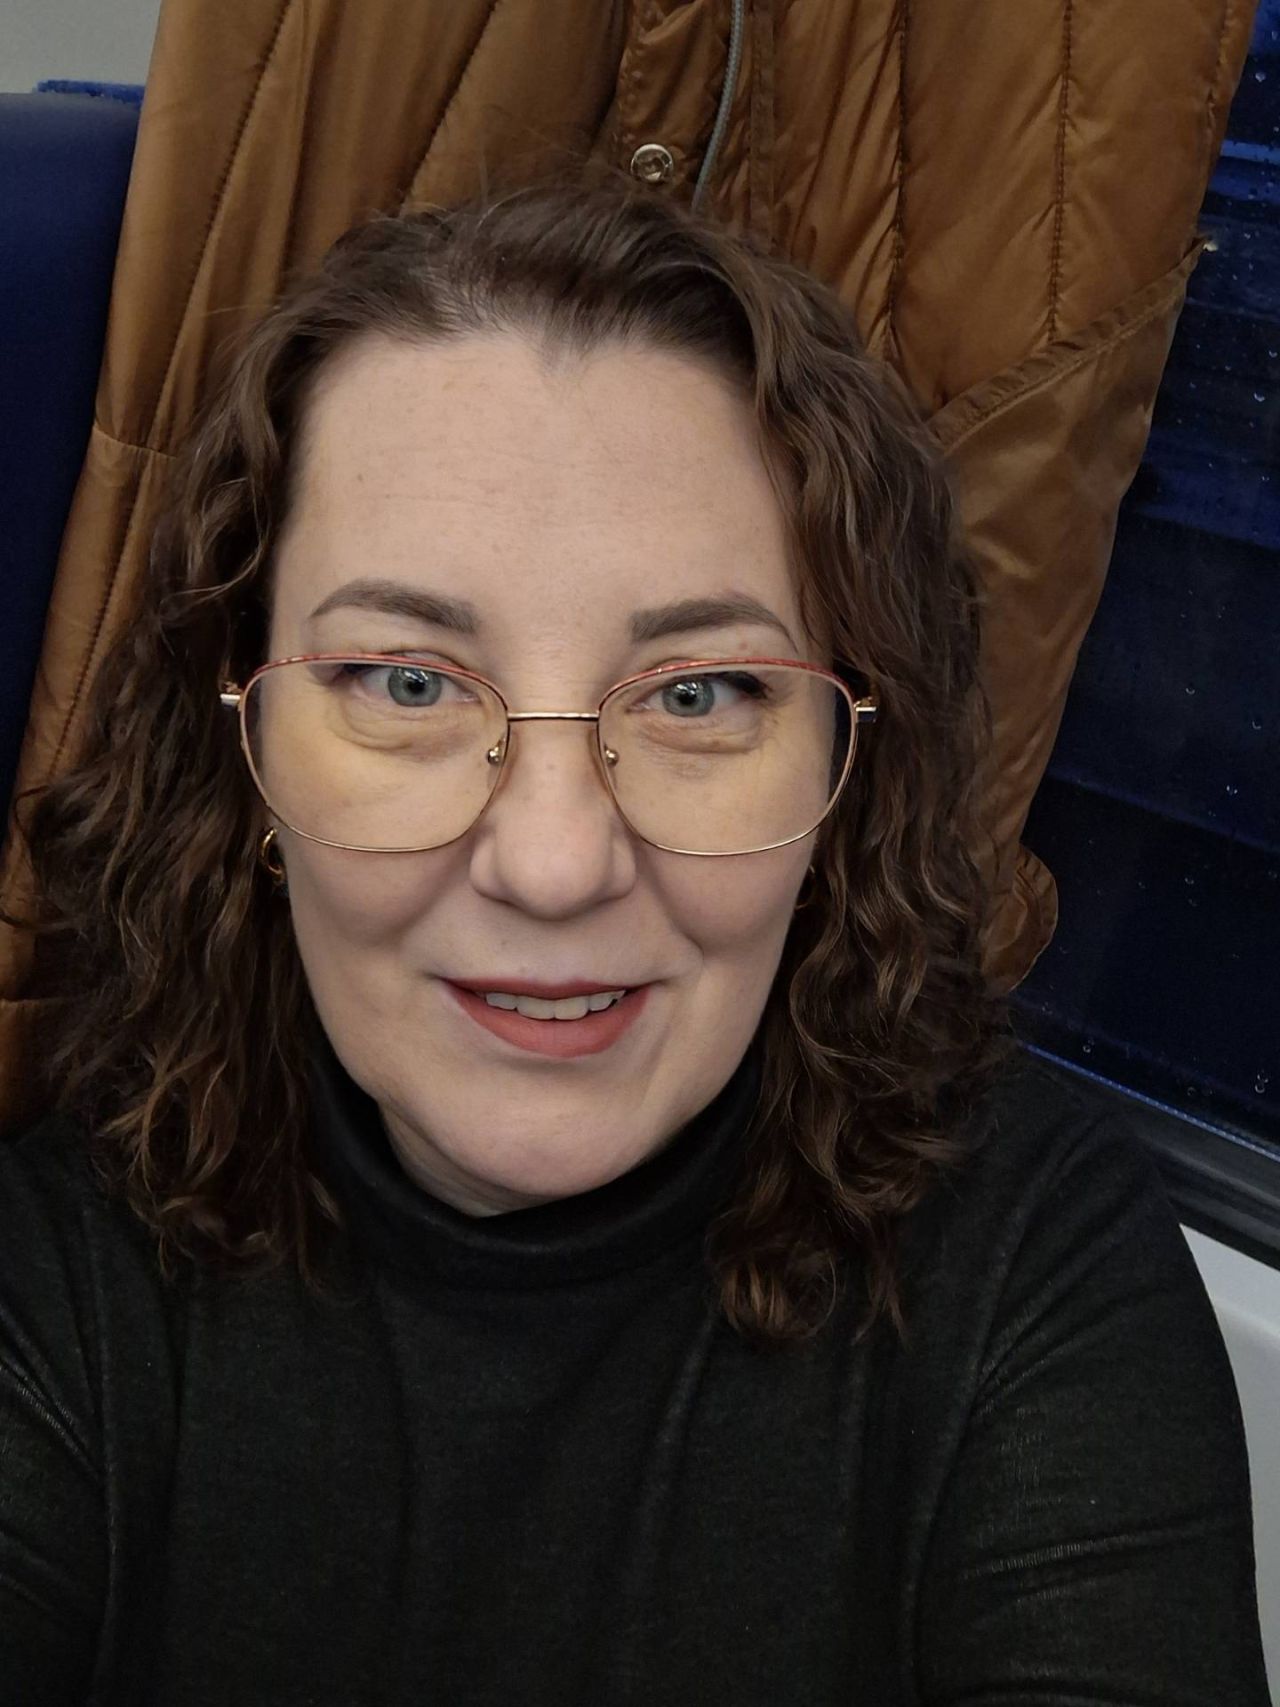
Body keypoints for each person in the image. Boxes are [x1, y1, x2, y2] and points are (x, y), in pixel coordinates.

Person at [0, 179, 1269, 1704]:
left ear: (843, 777)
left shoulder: (1033, 1265)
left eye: (696, 695)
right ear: (245, 745)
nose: (553, 865)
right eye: (407, 684)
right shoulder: (57, 1283)